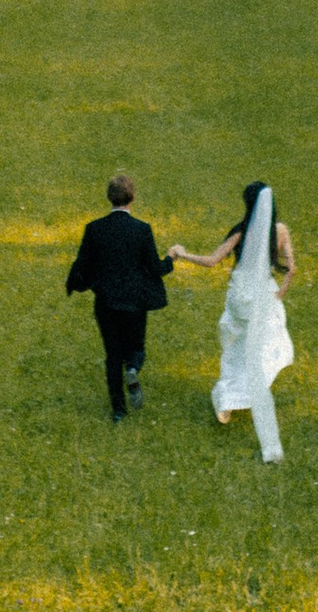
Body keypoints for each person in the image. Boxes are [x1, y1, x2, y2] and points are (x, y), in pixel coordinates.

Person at [170, 180, 296, 462]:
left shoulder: (241, 232)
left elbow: (213, 260)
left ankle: (230, 399)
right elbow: (291, 268)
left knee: (237, 348)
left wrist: (182, 253)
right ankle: (252, 390)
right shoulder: (281, 231)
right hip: (264, 296)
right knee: (261, 347)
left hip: (241, 298)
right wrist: (279, 294)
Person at [64, 172, 175, 421]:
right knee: (136, 347)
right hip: (135, 302)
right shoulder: (141, 230)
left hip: (106, 302)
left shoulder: (94, 229)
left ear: (109, 198)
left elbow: (82, 264)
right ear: (132, 198)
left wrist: (80, 283)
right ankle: (133, 369)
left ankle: (118, 410)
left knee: (113, 354)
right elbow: (155, 268)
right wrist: (171, 258)